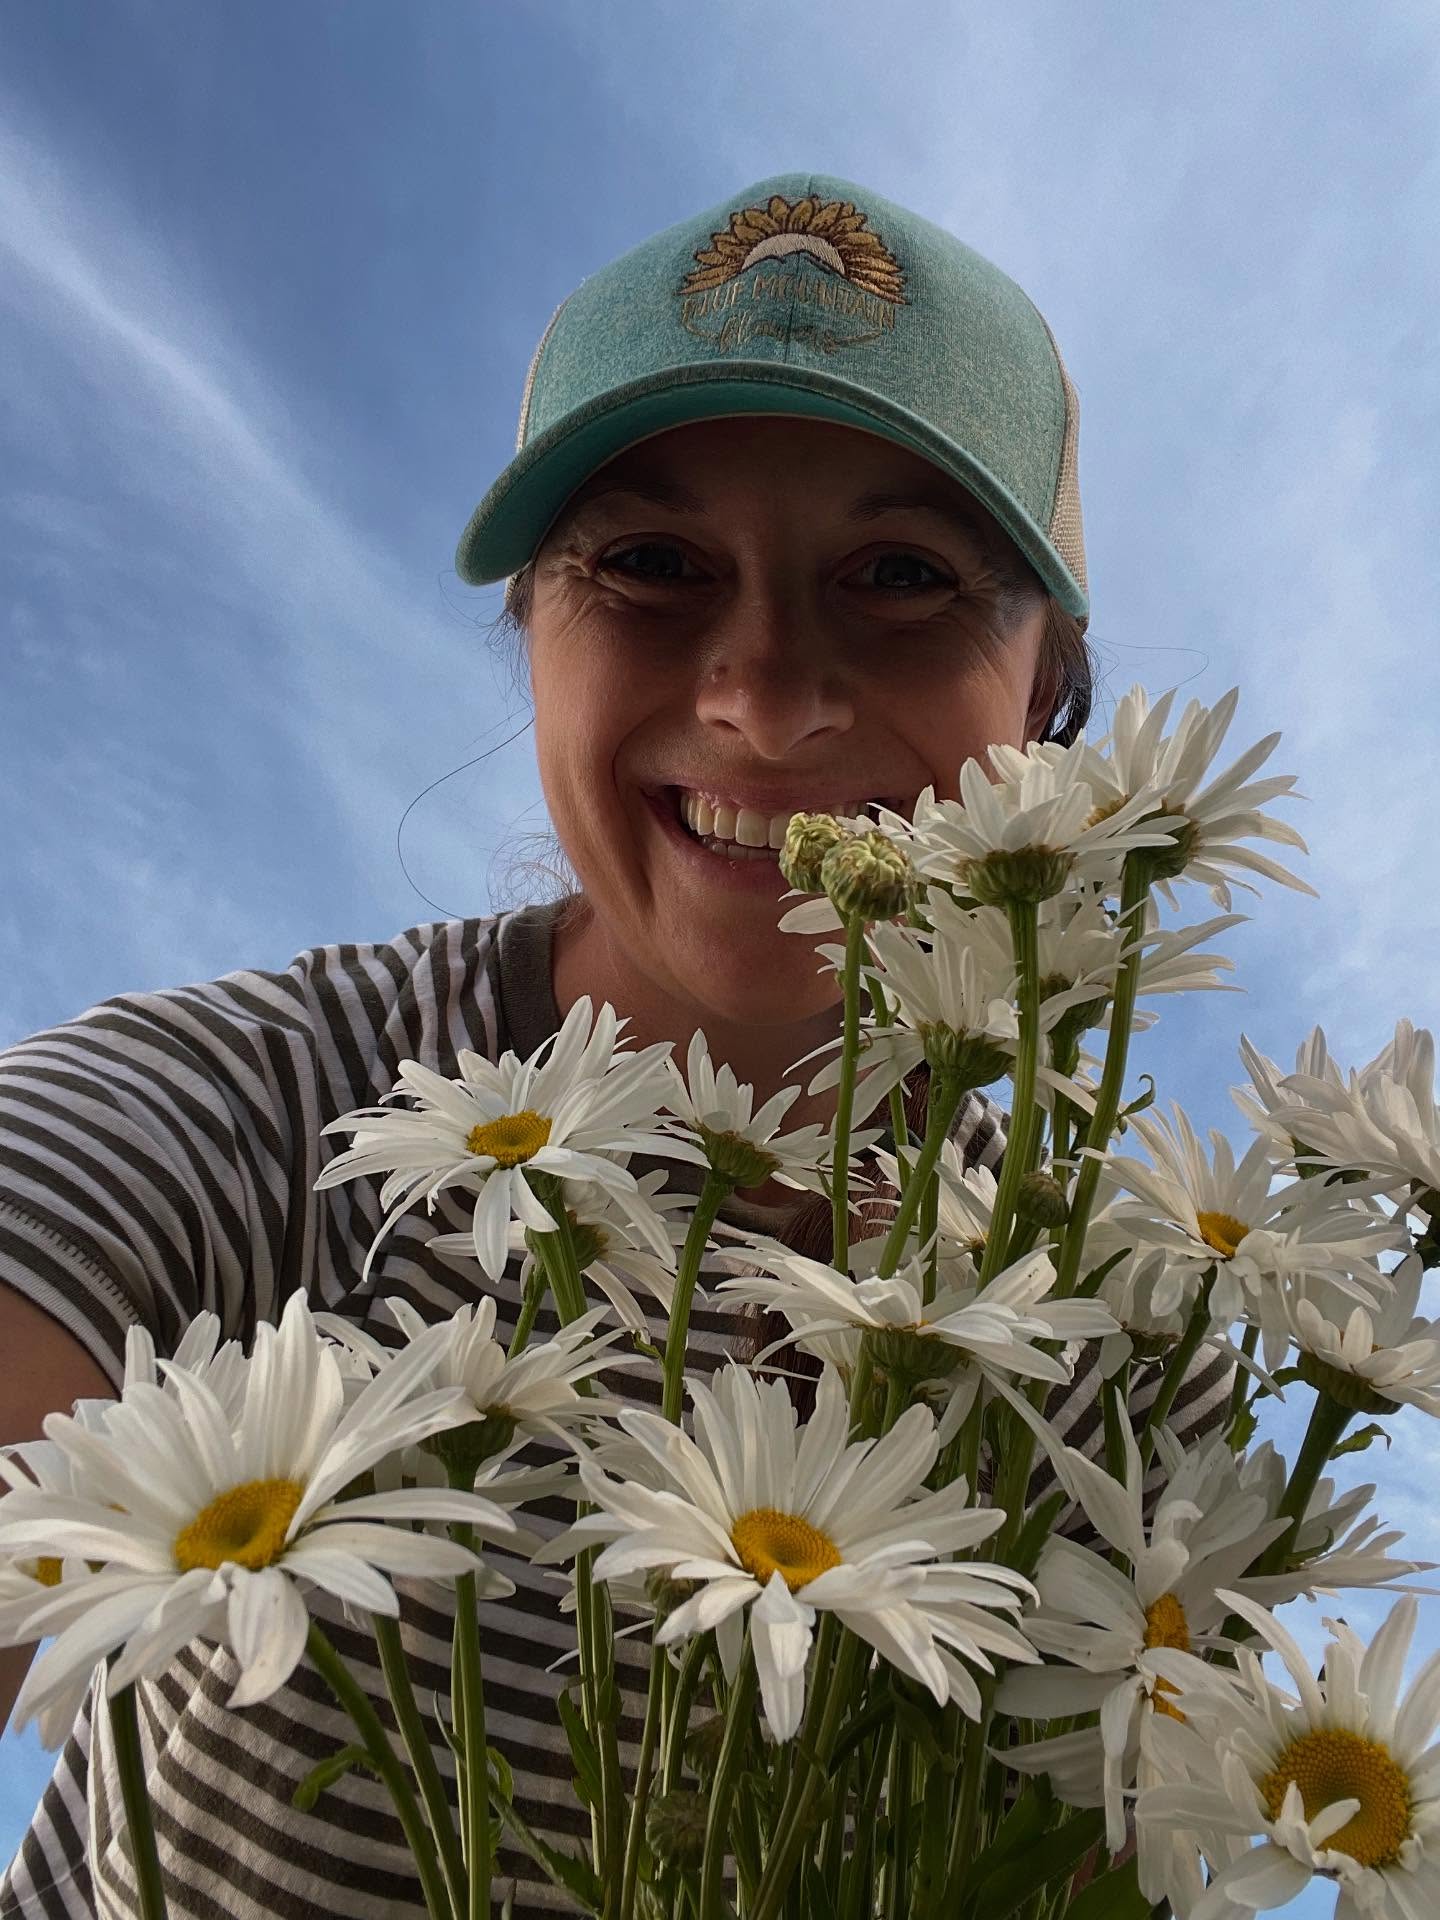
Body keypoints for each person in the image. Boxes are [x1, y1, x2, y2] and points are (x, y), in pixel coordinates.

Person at [0, 172, 1230, 1917]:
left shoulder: (1137, 1348)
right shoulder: (262, 1111)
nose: (766, 693)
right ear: (532, 635)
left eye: (902, 575)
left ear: (1047, 695)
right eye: (650, 564)